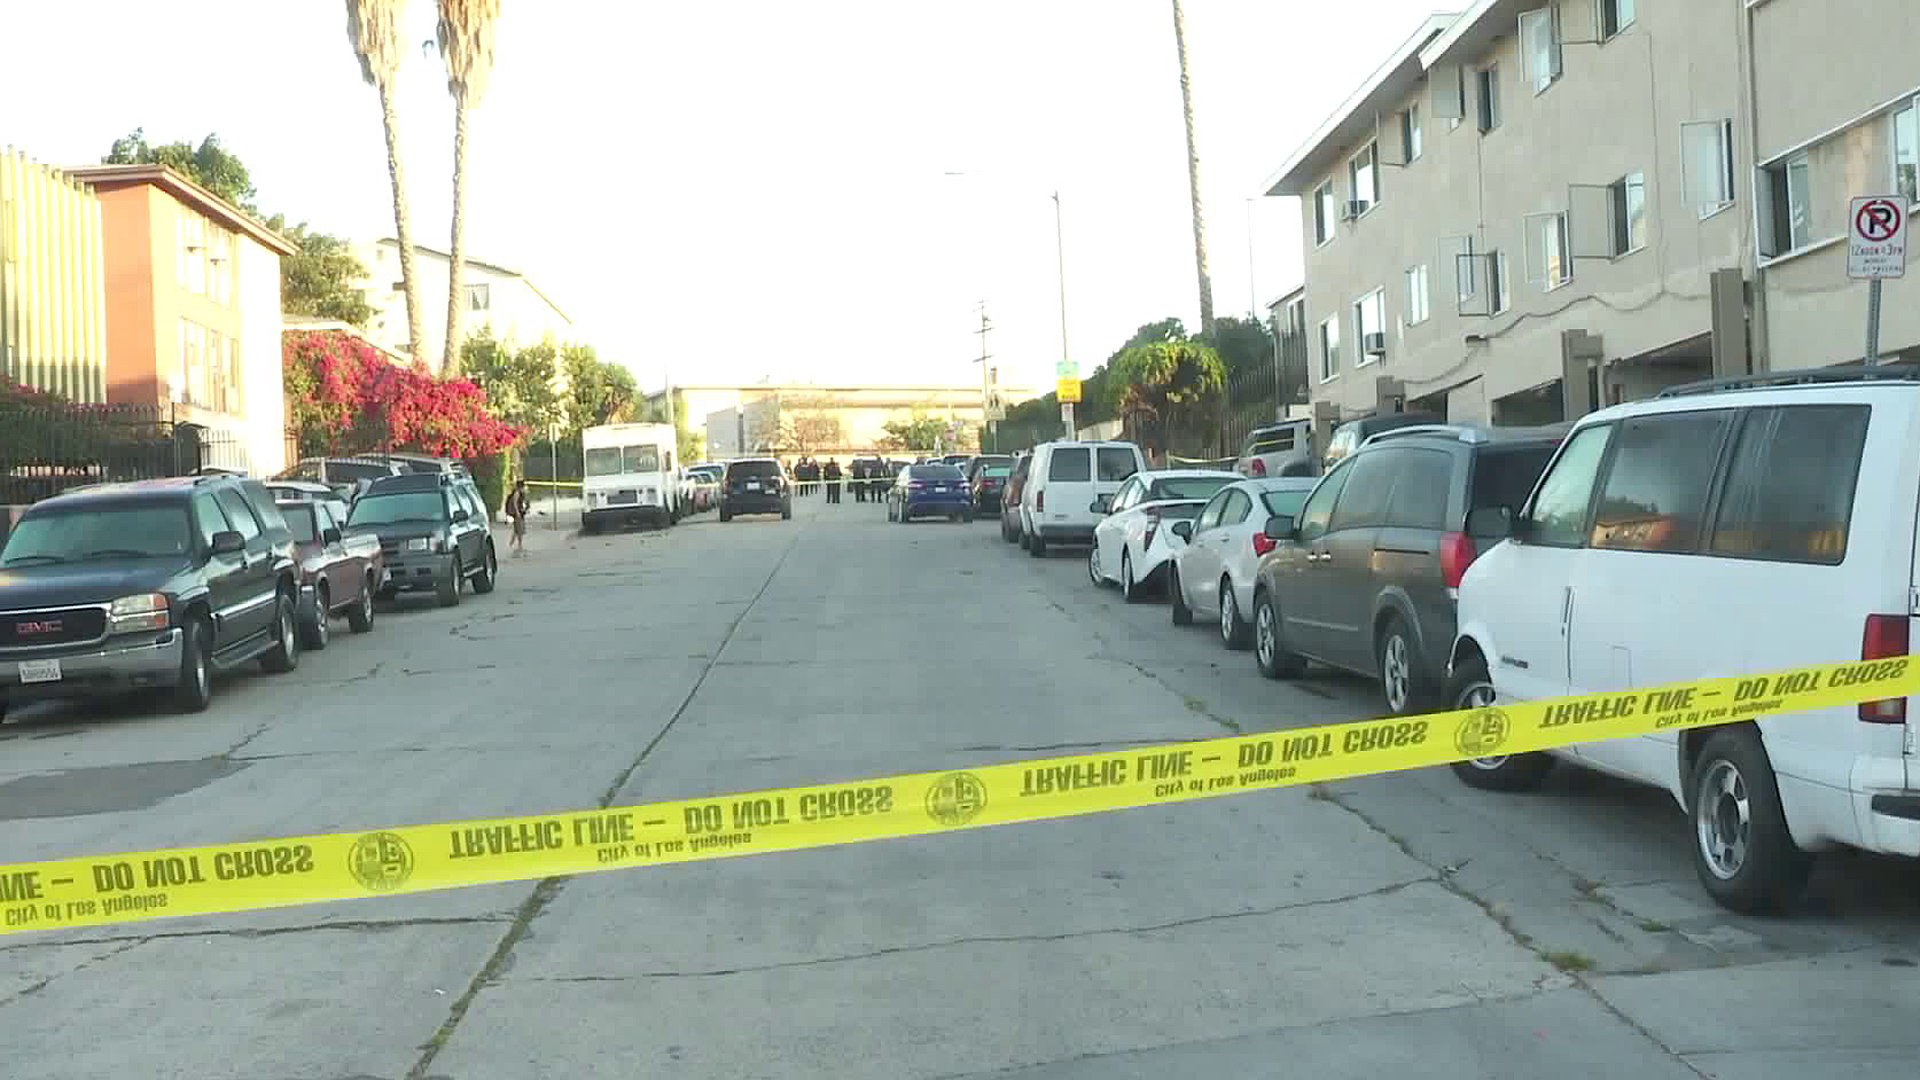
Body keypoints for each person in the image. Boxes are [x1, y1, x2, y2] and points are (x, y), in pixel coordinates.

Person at [505, 479, 530, 556]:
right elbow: (515, 503)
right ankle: (517, 546)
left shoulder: (521, 493)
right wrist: (517, 512)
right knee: (519, 531)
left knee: (518, 530)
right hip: (518, 514)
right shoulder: (517, 493)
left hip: (520, 514)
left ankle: (512, 545)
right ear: (521, 486)